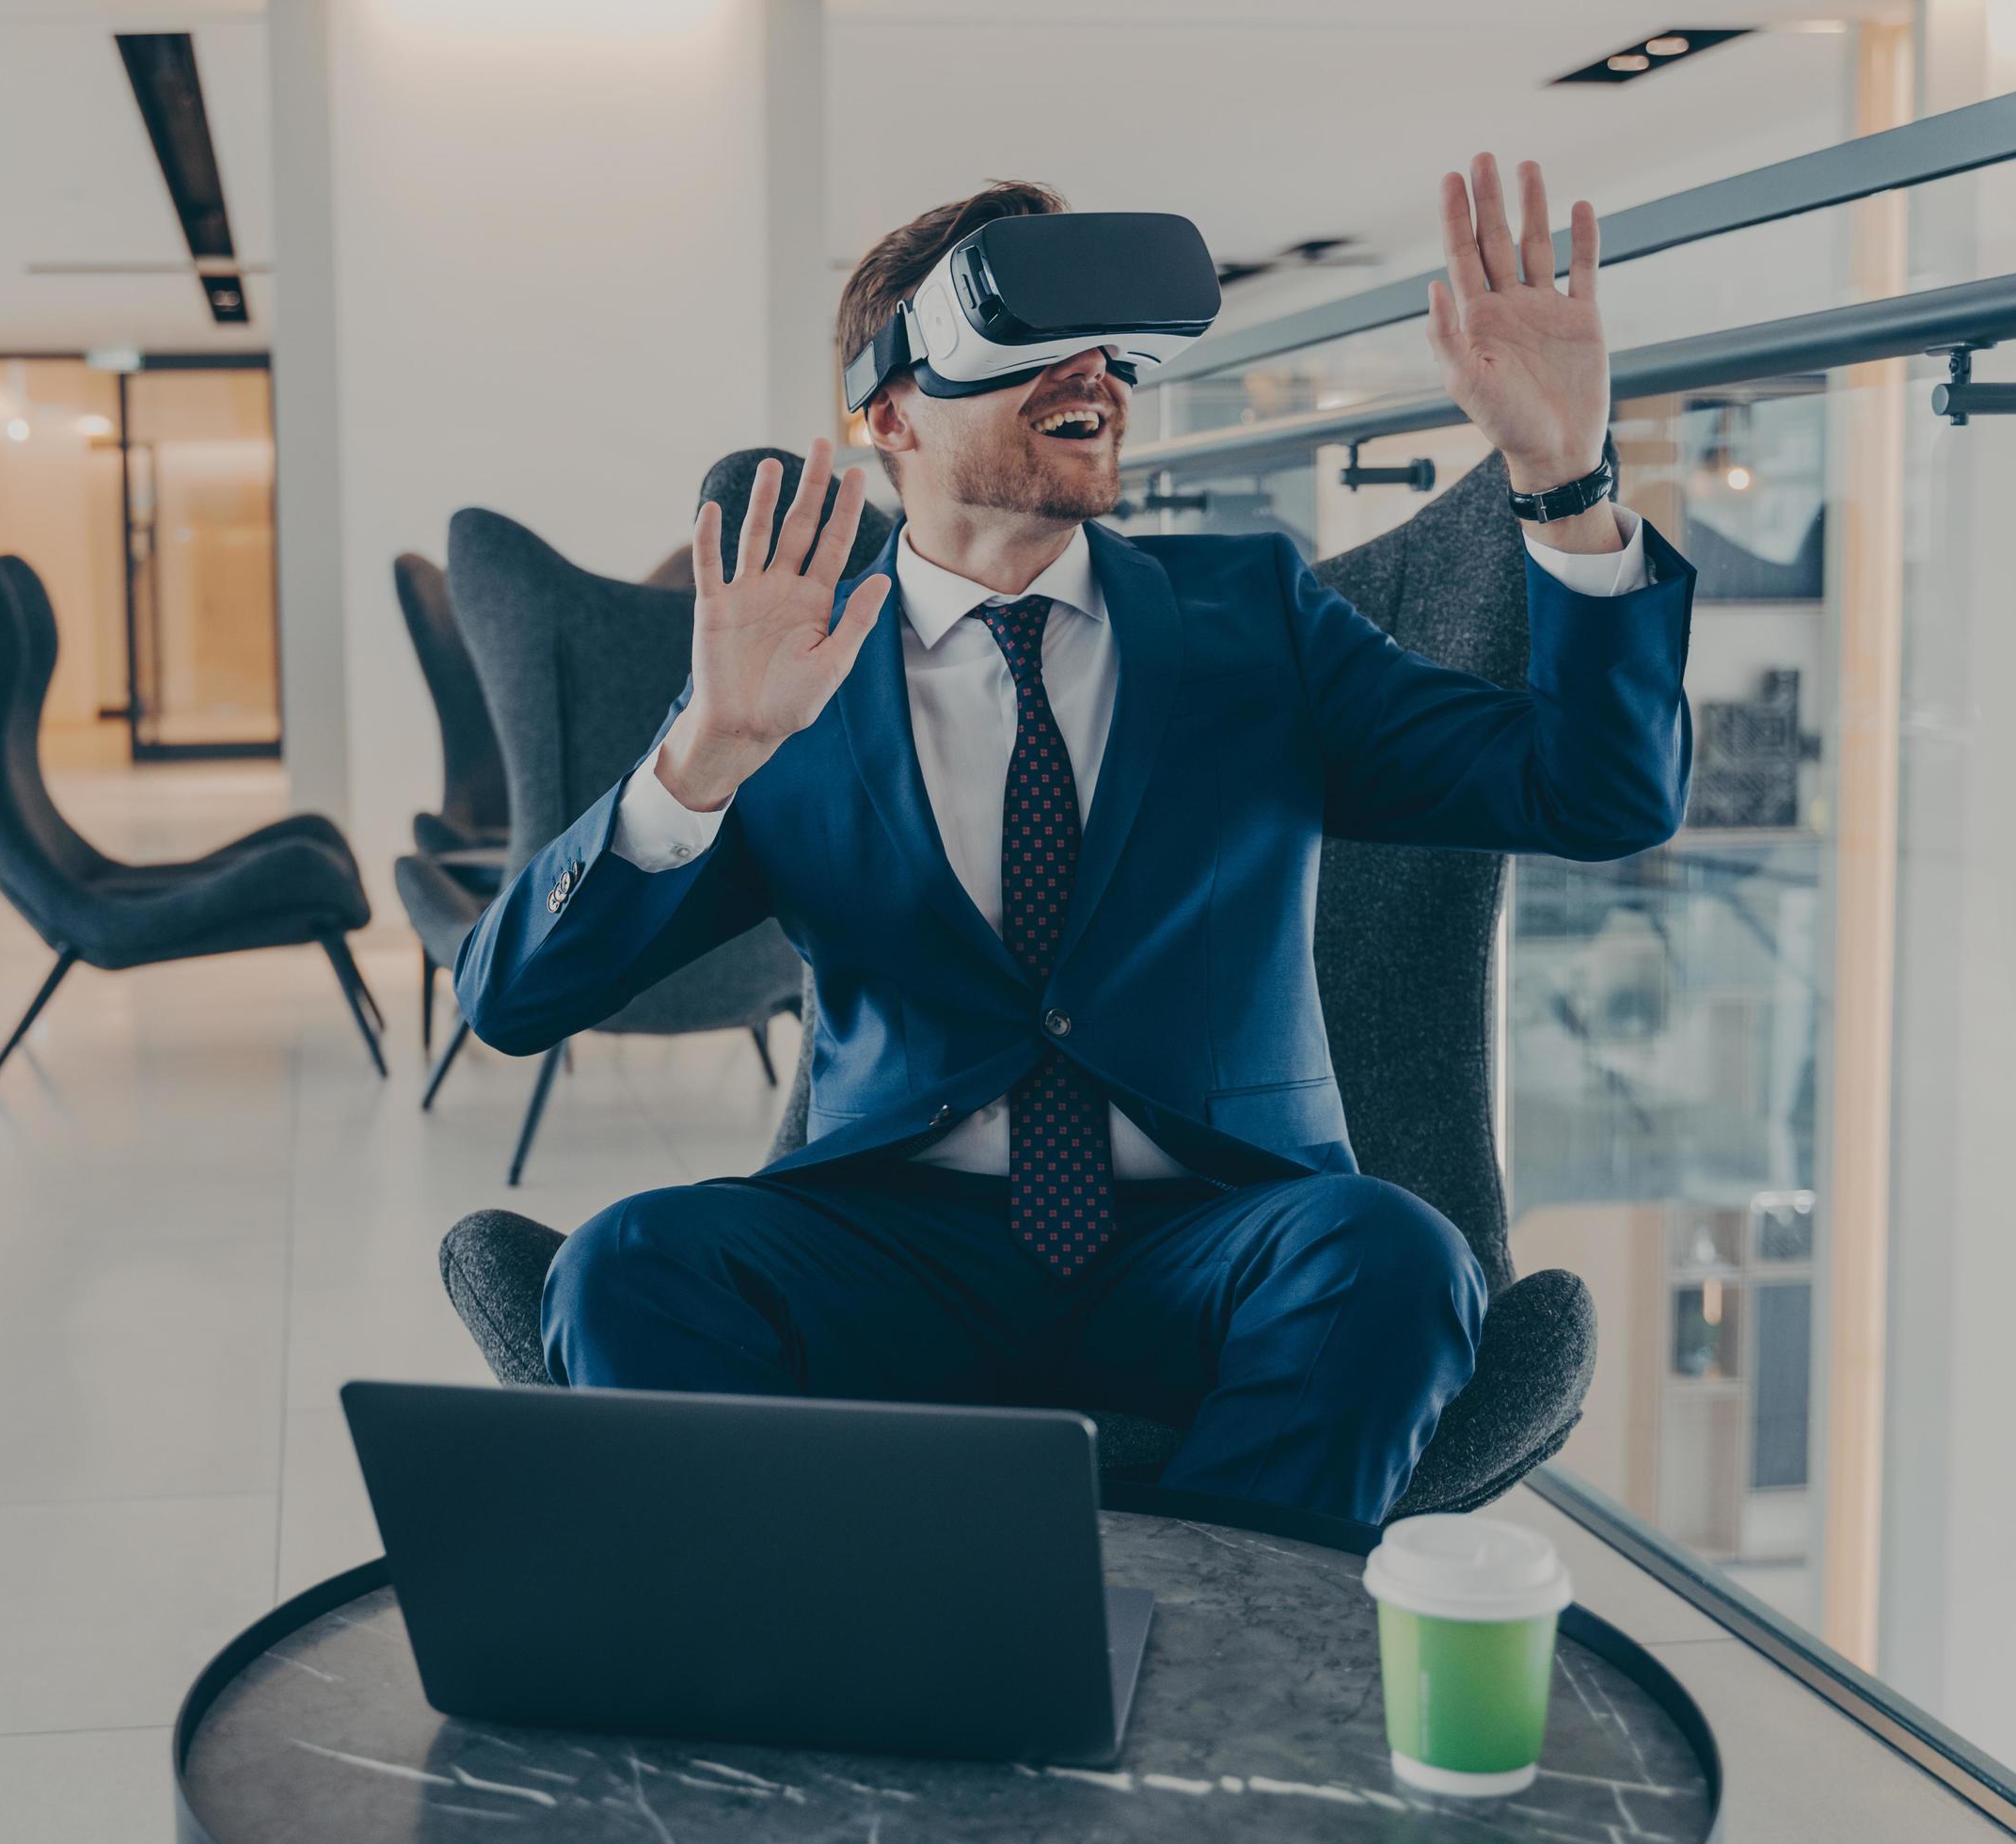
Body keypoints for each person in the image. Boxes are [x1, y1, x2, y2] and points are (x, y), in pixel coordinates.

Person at [454, 157, 1692, 1525]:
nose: (1088, 374)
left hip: (1216, 1241)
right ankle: (793, 1652)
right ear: (888, 409)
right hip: (895, 1241)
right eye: (1027, 341)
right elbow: (513, 1003)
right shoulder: (792, 672)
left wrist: (1562, 476)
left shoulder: (1253, 615)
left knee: (1392, 1252)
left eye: (1109, 350)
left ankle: (1224, 1661)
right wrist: (704, 758)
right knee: (631, 1259)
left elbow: (1597, 796)